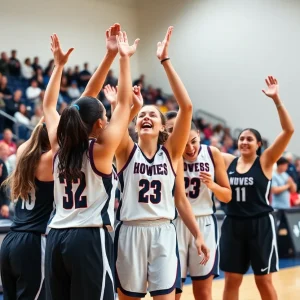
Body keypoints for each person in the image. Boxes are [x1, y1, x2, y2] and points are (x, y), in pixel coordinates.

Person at [43, 26, 139, 300]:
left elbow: (49, 106)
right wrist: (123, 57)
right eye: (105, 121)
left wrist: (58, 66)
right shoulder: (101, 150)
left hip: (56, 237)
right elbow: (123, 103)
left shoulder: (58, 145)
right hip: (88, 238)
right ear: (99, 123)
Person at [113, 26, 209, 300]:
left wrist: (165, 61)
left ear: (160, 126)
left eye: (152, 115)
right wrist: (124, 59)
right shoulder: (125, 150)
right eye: (141, 114)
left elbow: (187, 107)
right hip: (131, 231)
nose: (146, 117)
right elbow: (122, 104)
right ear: (135, 124)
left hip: (164, 231)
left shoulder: (172, 152)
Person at [220, 76, 294, 300]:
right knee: (232, 279)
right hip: (232, 224)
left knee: (264, 280)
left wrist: (276, 99)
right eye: (241, 138)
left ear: (258, 144)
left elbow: (289, 130)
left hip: (260, 223)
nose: (244, 142)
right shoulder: (226, 160)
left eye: (249, 139)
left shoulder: (266, 161)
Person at [165, 112, 231, 300]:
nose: (190, 148)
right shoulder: (170, 154)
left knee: (203, 292)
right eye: (184, 143)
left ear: (199, 134)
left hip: (205, 223)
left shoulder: (212, 153)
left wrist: (213, 185)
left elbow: (227, 197)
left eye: (193, 141)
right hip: (176, 223)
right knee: (174, 290)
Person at [0, 118, 54, 299]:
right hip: (34, 242)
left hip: (11, 240)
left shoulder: (24, 154)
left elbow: (40, 130)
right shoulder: (50, 160)